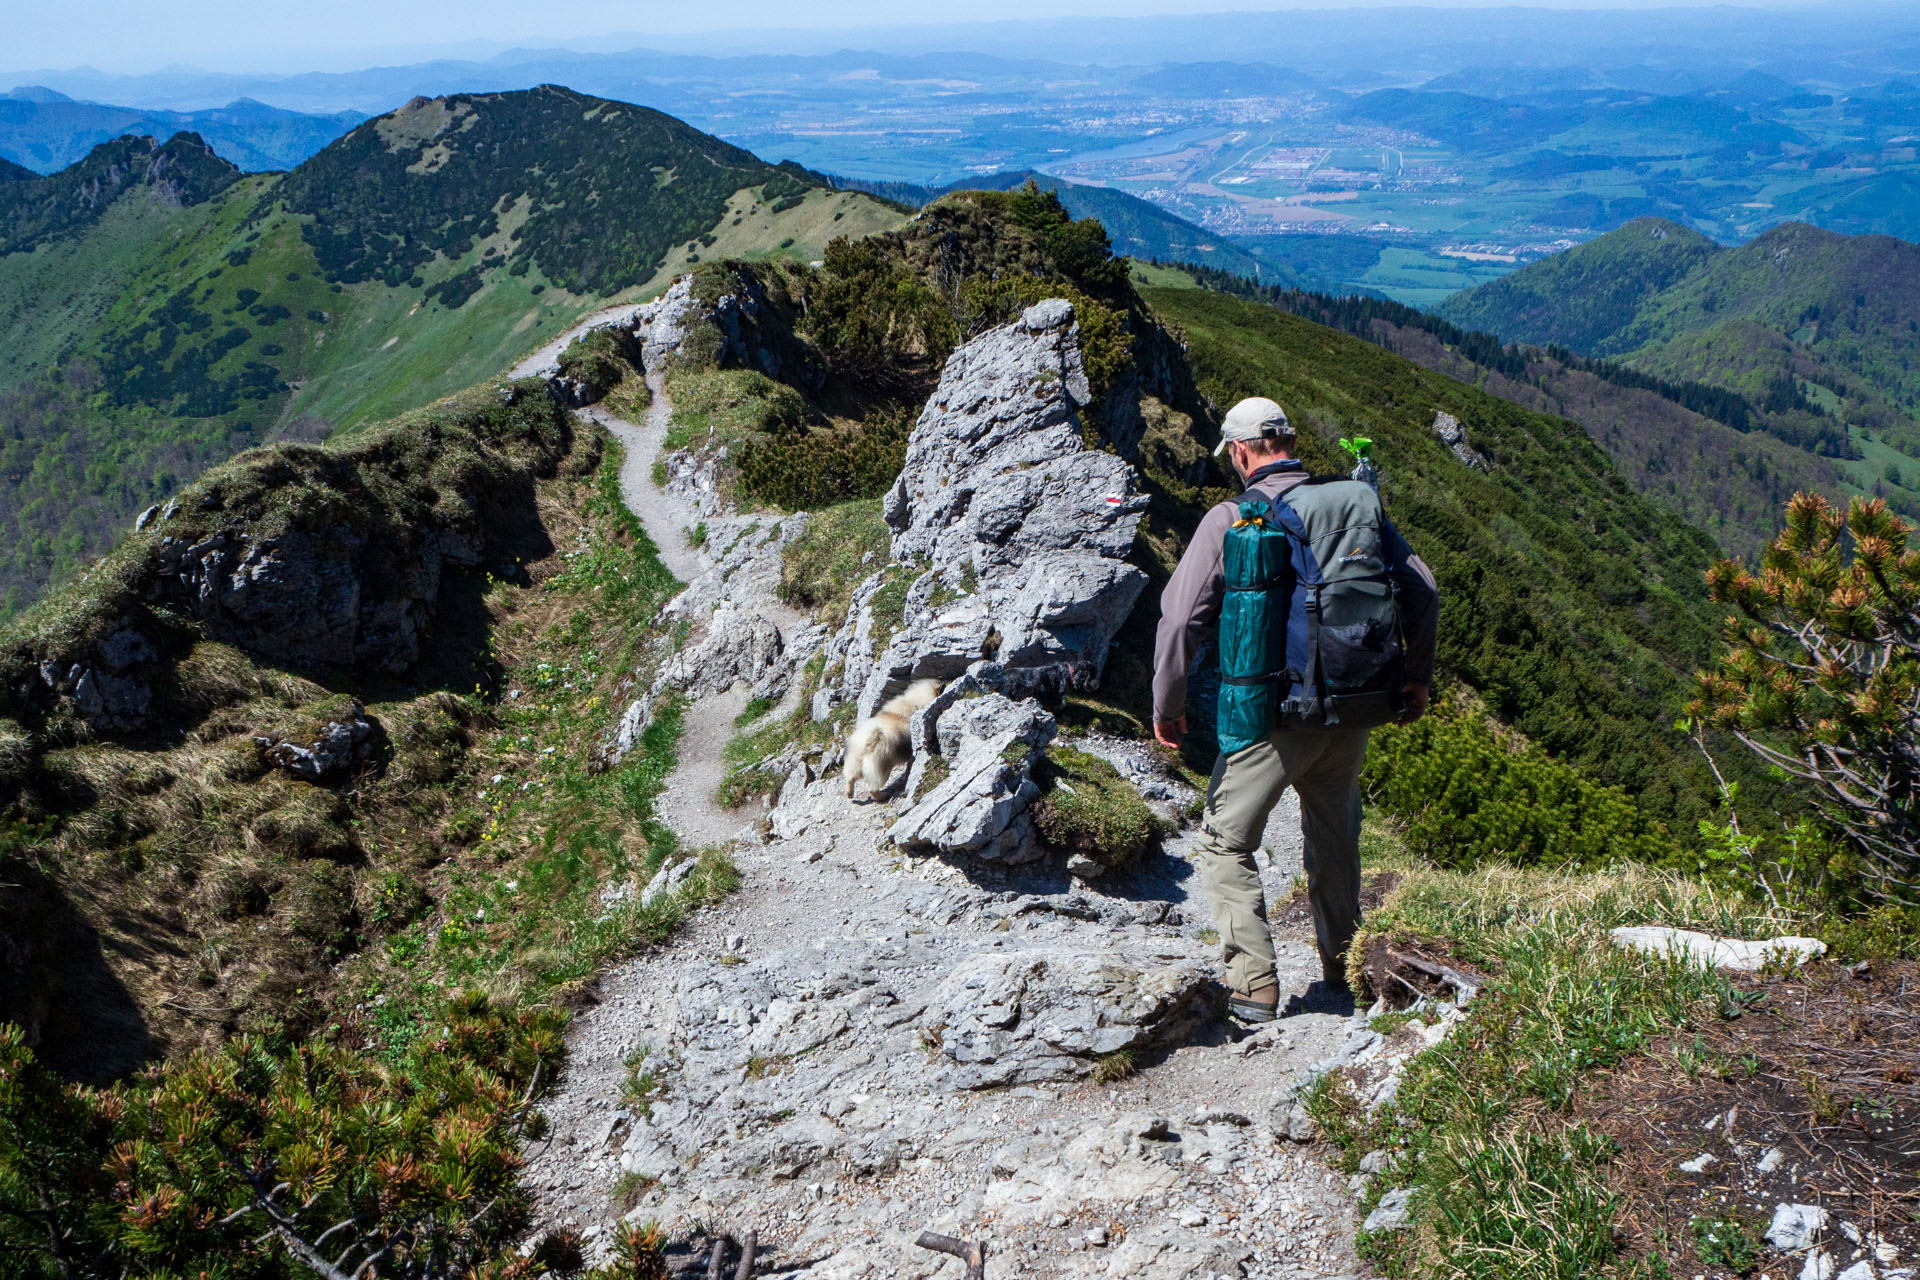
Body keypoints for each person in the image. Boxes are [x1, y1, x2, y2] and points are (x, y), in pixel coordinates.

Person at [1152, 396, 1439, 1022]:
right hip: (1353, 708)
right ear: (1288, 441)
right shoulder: (1351, 504)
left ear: (1241, 451)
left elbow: (1179, 620)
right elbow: (1424, 590)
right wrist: (1414, 680)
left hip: (1273, 716)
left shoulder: (1234, 517)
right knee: (1334, 843)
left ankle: (1254, 988)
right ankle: (1346, 968)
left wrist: (1167, 705)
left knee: (1225, 842)